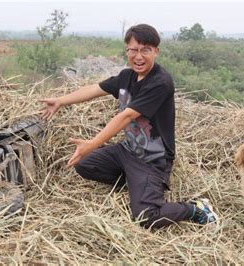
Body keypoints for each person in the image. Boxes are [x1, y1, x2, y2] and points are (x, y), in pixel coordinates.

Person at [39, 24, 218, 228]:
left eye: (145, 50)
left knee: (146, 217)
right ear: (127, 51)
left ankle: (195, 209)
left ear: (156, 52)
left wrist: (93, 143)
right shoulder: (127, 76)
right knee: (84, 163)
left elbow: (126, 116)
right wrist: (61, 101)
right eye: (133, 50)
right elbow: (94, 89)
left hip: (152, 160)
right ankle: (136, 183)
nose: (138, 56)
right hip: (128, 150)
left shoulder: (160, 82)